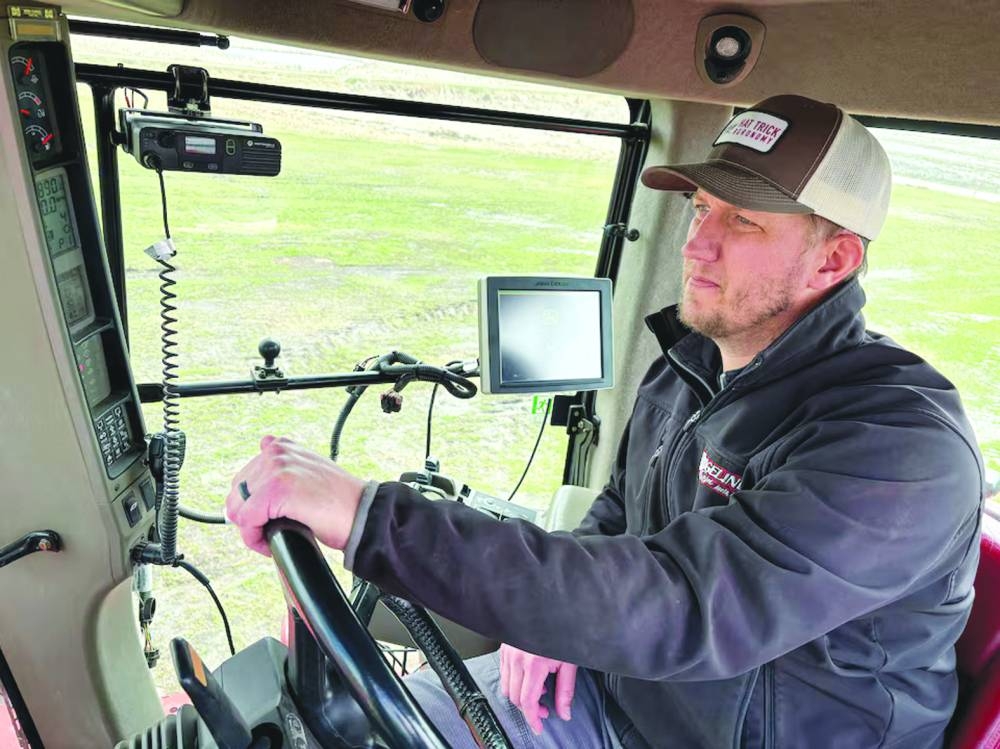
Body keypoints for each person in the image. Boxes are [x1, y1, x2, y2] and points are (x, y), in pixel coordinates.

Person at [226, 94, 985, 748]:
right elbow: (618, 515)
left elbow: (686, 604)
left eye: (745, 222)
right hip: (612, 693)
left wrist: (369, 518)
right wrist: (548, 626)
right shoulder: (691, 364)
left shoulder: (900, 444)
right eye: (700, 207)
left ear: (834, 261)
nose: (697, 242)